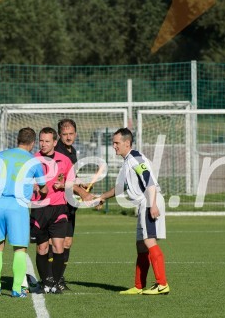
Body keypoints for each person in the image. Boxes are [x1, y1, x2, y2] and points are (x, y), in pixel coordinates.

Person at [95, 128, 170, 295]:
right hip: (144, 203)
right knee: (140, 246)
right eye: (113, 143)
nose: (114, 146)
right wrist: (102, 197)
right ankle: (138, 286)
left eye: (116, 143)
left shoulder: (136, 158)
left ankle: (162, 284)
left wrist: (152, 205)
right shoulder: (127, 161)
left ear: (127, 143)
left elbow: (149, 181)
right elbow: (120, 188)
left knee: (149, 241)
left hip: (150, 201)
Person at [0, 127, 46, 297]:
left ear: (17, 140)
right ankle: (16, 288)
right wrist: (41, 189)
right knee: (20, 249)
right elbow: (44, 188)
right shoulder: (34, 161)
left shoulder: (1, 155)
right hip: (17, 206)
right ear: (33, 143)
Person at [30, 127, 75, 294]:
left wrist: (63, 185)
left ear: (55, 142)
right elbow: (23, 181)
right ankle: (45, 282)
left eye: (47, 141)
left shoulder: (65, 160)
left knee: (58, 247)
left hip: (59, 208)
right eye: (41, 140)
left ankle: (55, 283)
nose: (43, 144)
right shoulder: (33, 160)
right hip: (39, 209)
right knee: (42, 248)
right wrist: (32, 186)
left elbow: (71, 181)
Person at [52, 118, 89, 291]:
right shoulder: (57, 152)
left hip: (70, 204)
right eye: (65, 134)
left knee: (67, 243)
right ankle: (51, 278)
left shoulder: (72, 151)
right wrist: (80, 190)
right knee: (56, 244)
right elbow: (60, 180)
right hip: (57, 203)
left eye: (71, 134)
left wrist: (80, 183)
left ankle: (59, 278)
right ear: (59, 135)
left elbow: (70, 176)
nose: (68, 137)